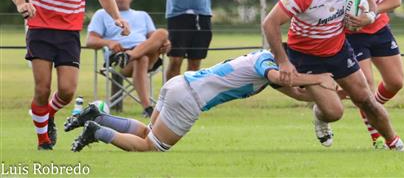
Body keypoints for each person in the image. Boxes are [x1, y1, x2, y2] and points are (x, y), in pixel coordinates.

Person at [262, 0, 404, 151]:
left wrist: (369, 17)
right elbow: (270, 23)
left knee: (365, 99)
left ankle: (395, 143)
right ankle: (319, 114)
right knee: (334, 112)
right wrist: (283, 61)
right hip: (307, 57)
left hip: (339, 52)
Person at [5, 0, 130, 150]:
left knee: (67, 91)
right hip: (40, 29)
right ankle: (44, 141)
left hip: (69, 33)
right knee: (42, 89)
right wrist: (22, 4)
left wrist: (117, 18)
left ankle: (46, 115)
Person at [64, 50, 341, 152]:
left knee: (148, 132)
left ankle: (95, 116)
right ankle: (97, 132)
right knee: (153, 146)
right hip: (189, 98)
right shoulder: (267, 61)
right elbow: (278, 75)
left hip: (179, 84)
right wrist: (317, 79)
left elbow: (295, 91)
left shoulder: (265, 65)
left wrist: (336, 93)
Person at [337, 0, 404, 147]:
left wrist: (372, 13)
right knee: (365, 84)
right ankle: (377, 137)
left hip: (378, 28)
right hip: (352, 34)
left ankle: (373, 108)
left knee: (396, 82)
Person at [86, 0, 171, 117]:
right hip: (118, 60)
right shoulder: (102, 14)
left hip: (147, 55)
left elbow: (155, 38)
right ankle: (147, 107)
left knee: (162, 33)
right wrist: (109, 43)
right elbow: (90, 40)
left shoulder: (142, 15)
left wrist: (166, 45)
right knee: (141, 59)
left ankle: (130, 55)